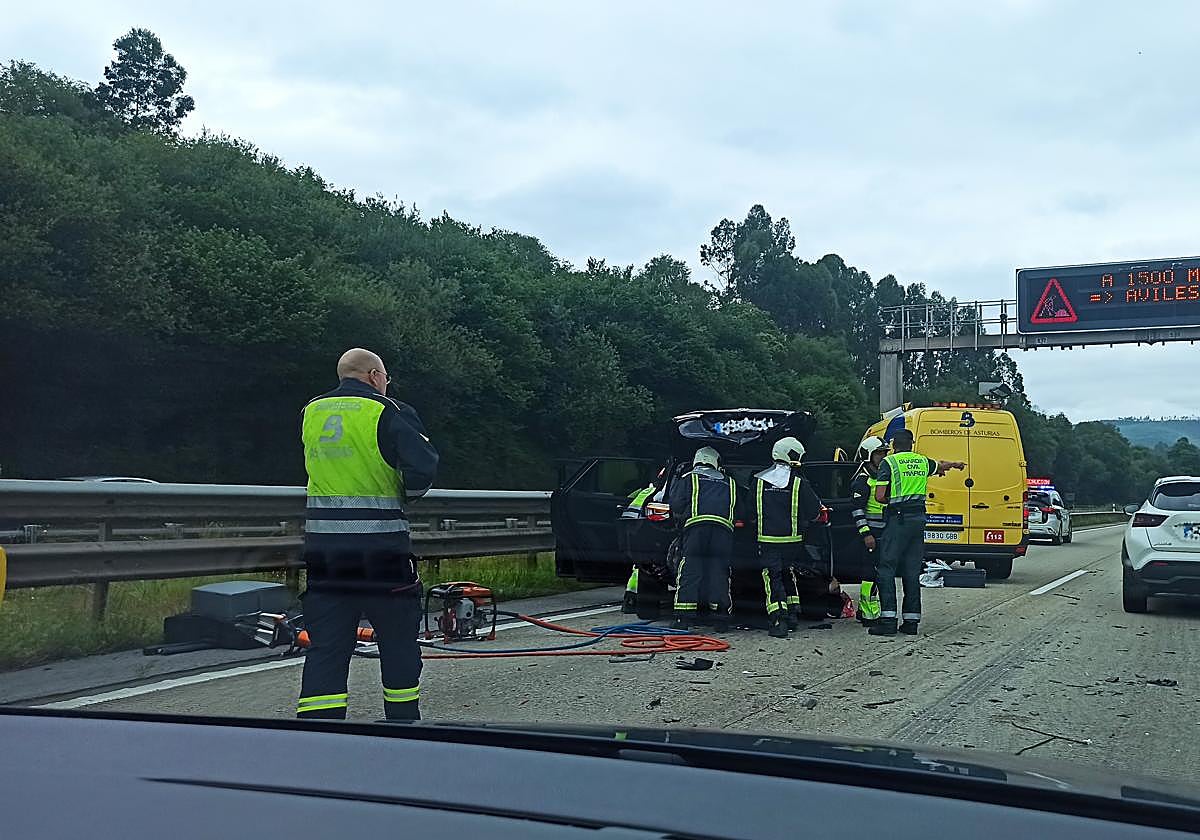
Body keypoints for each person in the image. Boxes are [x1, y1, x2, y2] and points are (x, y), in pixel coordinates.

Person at [296, 348, 439, 720]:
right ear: (375, 376)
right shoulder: (387, 410)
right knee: (397, 642)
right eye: (386, 379)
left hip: (325, 555)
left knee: (327, 646)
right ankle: (403, 722)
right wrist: (406, 495)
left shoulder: (311, 411)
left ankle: (319, 729)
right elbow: (423, 466)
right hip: (381, 551)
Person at [870, 428, 964, 637]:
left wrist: (893, 501)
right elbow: (940, 465)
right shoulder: (922, 462)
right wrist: (955, 465)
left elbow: (879, 496)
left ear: (894, 445)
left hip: (898, 520)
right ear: (912, 444)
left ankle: (888, 621)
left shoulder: (889, 463)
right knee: (912, 571)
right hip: (919, 520)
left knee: (887, 567)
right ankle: (911, 622)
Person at [753, 436, 822, 637]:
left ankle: (778, 619)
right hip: (793, 541)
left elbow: (749, 511)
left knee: (771, 576)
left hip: (767, 540)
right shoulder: (799, 483)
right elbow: (813, 511)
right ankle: (792, 614)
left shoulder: (758, 481)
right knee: (786, 573)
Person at [669, 447, 740, 631]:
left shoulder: (688, 478)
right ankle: (721, 618)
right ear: (716, 462)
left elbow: (675, 504)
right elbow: (742, 511)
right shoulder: (730, 482)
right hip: (723, 533)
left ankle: (682, 619)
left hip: (696, 530)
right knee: (719, 572)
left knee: (690, 569)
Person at [850, 436, 889, 626]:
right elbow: (857, 510)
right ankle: (869, 614)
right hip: (871, 533)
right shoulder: (863, 480)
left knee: (879, 573)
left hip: (883, 532)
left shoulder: (881, 477)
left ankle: (865, 611)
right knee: (870, 575)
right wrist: (866, 534)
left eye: (884, 453)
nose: (882, 457)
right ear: (868, 456)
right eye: (879, 454)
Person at [619, 472, 665, 613]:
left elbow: (628, 499)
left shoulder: (645, 491)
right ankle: (632, 599)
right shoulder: (657, 494)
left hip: (630, 530)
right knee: (643, 567)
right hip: (638, 529)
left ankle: (630, 600)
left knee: (639, 566)